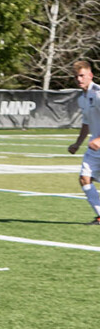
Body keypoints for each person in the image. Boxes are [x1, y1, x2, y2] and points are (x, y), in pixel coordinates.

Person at [67, 59, 100, 225]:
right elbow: (86, 123)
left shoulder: (98, 93)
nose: (79, 79)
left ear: (90, 75)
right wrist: (77, 143)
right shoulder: (82, 98)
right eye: (76, 77)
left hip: (99, 143)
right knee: (84, 178)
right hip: (95, 147)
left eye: (82, 75)